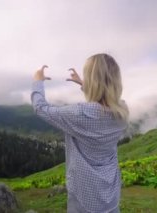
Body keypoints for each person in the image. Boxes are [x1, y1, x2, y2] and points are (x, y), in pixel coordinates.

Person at [31, 53, 129, 213]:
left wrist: (37, 81)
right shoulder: (122, 111)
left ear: (92, 80)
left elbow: (41, 109)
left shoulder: (80, 113)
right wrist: (84, 85)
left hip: (84, 195)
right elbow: (104, 102)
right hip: (110, 194)